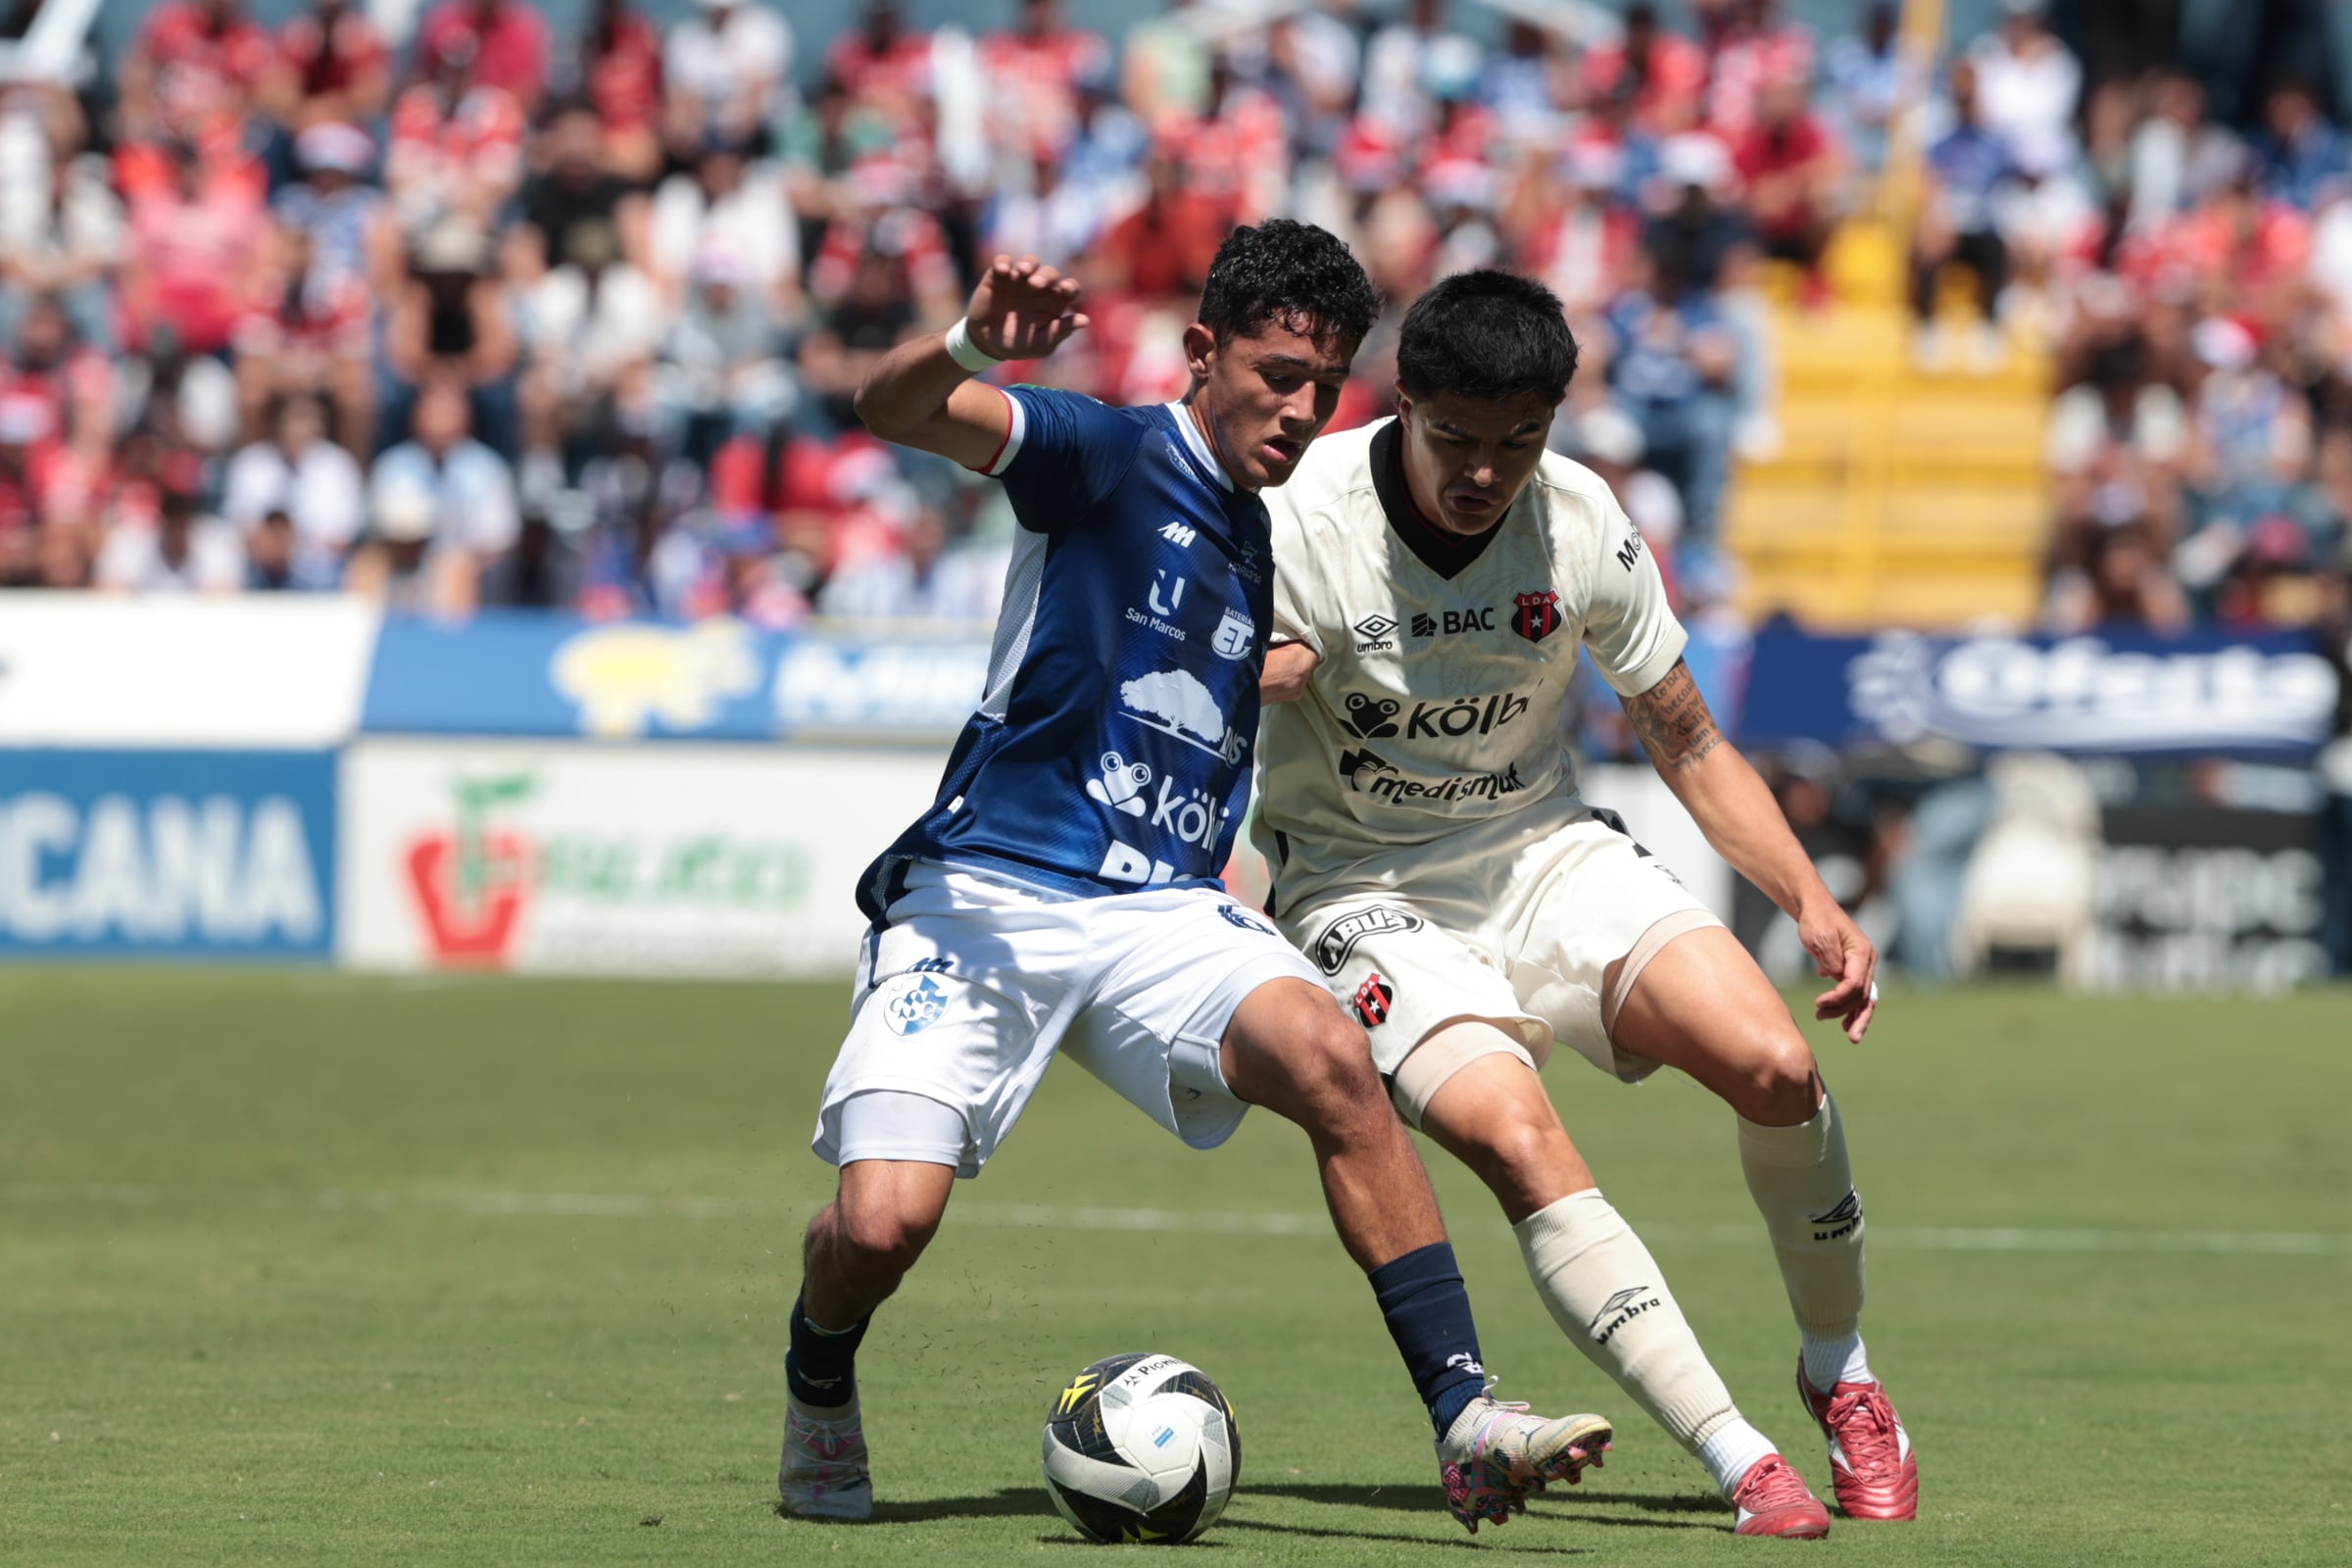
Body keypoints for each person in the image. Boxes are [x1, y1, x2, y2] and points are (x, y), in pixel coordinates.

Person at [780, 229, 1613, 1533]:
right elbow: (889, 411)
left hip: (1161, 904)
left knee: (1337, 1063)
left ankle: (1466, 1418)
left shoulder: (1264, 534)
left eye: (1323, 389)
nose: (1297, 409)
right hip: (987, 893)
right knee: (880, 1231)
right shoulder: (1104, 455)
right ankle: (818, 1371)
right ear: (1201, 354)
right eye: (1276, 374)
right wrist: (966, 346)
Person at [1255, 270, 1917, 1538]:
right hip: (1364, 890)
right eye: (1455, 438)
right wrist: (1256, 671)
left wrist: (1807, 894)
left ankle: (1840, 1371)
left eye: (1519, 442)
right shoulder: (1305, 516)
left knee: (1777, 1064)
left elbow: (1685, 736)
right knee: (1516, 1135)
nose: (1484, 473)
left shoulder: (1579, 520)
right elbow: (1206, 683)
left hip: (1543, 851)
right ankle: (1740, 1460)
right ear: (1404, 406)